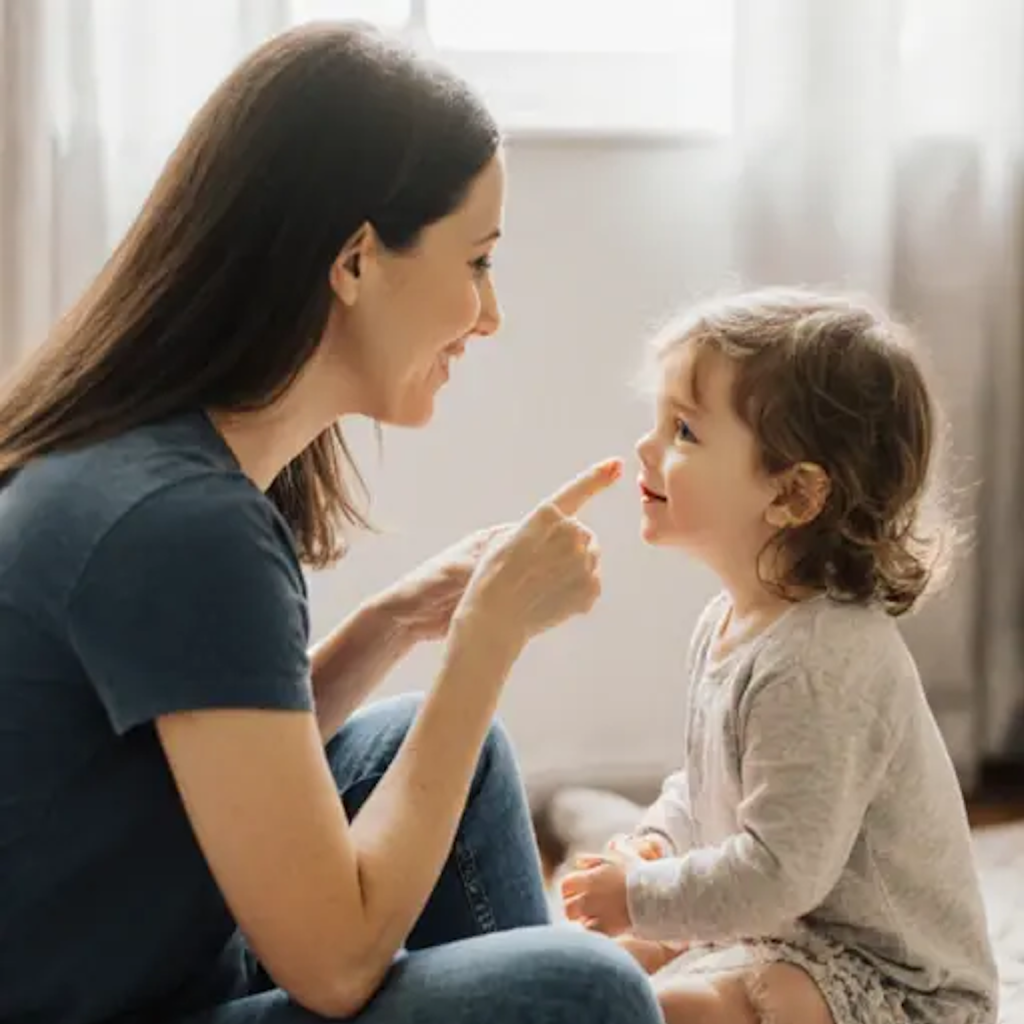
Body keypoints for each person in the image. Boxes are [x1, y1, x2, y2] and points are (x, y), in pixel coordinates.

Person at [0, 22, 665, 1024]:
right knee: (587, 991)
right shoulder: (185, 525)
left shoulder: (152, 458)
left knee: (446, 755)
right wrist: (484, 644)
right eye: (477, 260)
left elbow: (208, 760)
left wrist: (394, 623)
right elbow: (336, 962)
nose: (490, 315)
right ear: (354, 260)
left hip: (135, 947)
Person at [560, 289, 999, 1024]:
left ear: (794, 495)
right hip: (795, 930)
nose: (646, 447)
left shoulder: (820, 665)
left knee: (670, 1003)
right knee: (605, 961)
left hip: (902, 986)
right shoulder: (729, 621)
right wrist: (656, 841)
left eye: (685, 432)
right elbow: (708, 786)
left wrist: (641, 893)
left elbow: (777, 872)